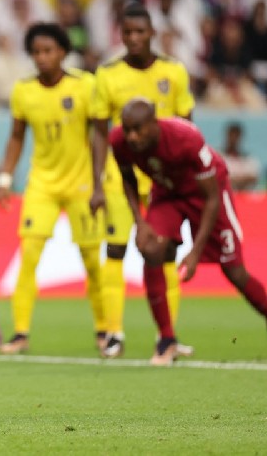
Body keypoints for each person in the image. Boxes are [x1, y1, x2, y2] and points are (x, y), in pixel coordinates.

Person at [111, 99, 267, 366]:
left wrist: (194, 253)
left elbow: (211, 199)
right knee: (151, 249)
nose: (131, 136)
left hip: (206, 194)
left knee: (234, 271)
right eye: (127, 129)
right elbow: (128, 177)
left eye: (138, 129)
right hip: (167, 193)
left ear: (154, 123)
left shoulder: (186, 138)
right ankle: (166, 340)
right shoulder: (119, 140)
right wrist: (140, 221)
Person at [90, 2, 195, 359]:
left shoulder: (174, 71)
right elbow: (100, 133)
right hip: (123, 175)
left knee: (166, 253)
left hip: (166, 178)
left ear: (152, 33)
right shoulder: (107, 75)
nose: (134, 38)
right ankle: (113, 333)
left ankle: (167, 334)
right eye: (128, 32)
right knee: (116, 249)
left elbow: (187, 126)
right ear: (121, 35)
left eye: (140, 32)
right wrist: (97, 184)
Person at [0, 23, 106, 355]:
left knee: (91, 260)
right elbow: (17, 136)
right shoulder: (24, 90)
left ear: (63, 52)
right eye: (37, 52)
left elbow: (100, 134)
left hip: (82, 184)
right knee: (29, 256)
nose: (42, 58)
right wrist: (4, 177)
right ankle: (20, 333)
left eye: (49, 51)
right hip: (42, 183)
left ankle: (104, 330)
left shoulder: (85, 85)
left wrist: (100, 183)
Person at [221, 122, 261, 191]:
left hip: (244, 197)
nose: (233, 139)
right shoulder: (219, 157)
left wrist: (236, 181)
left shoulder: (248, 159)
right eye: (231, 135)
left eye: (236, 136)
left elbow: (254, 178)